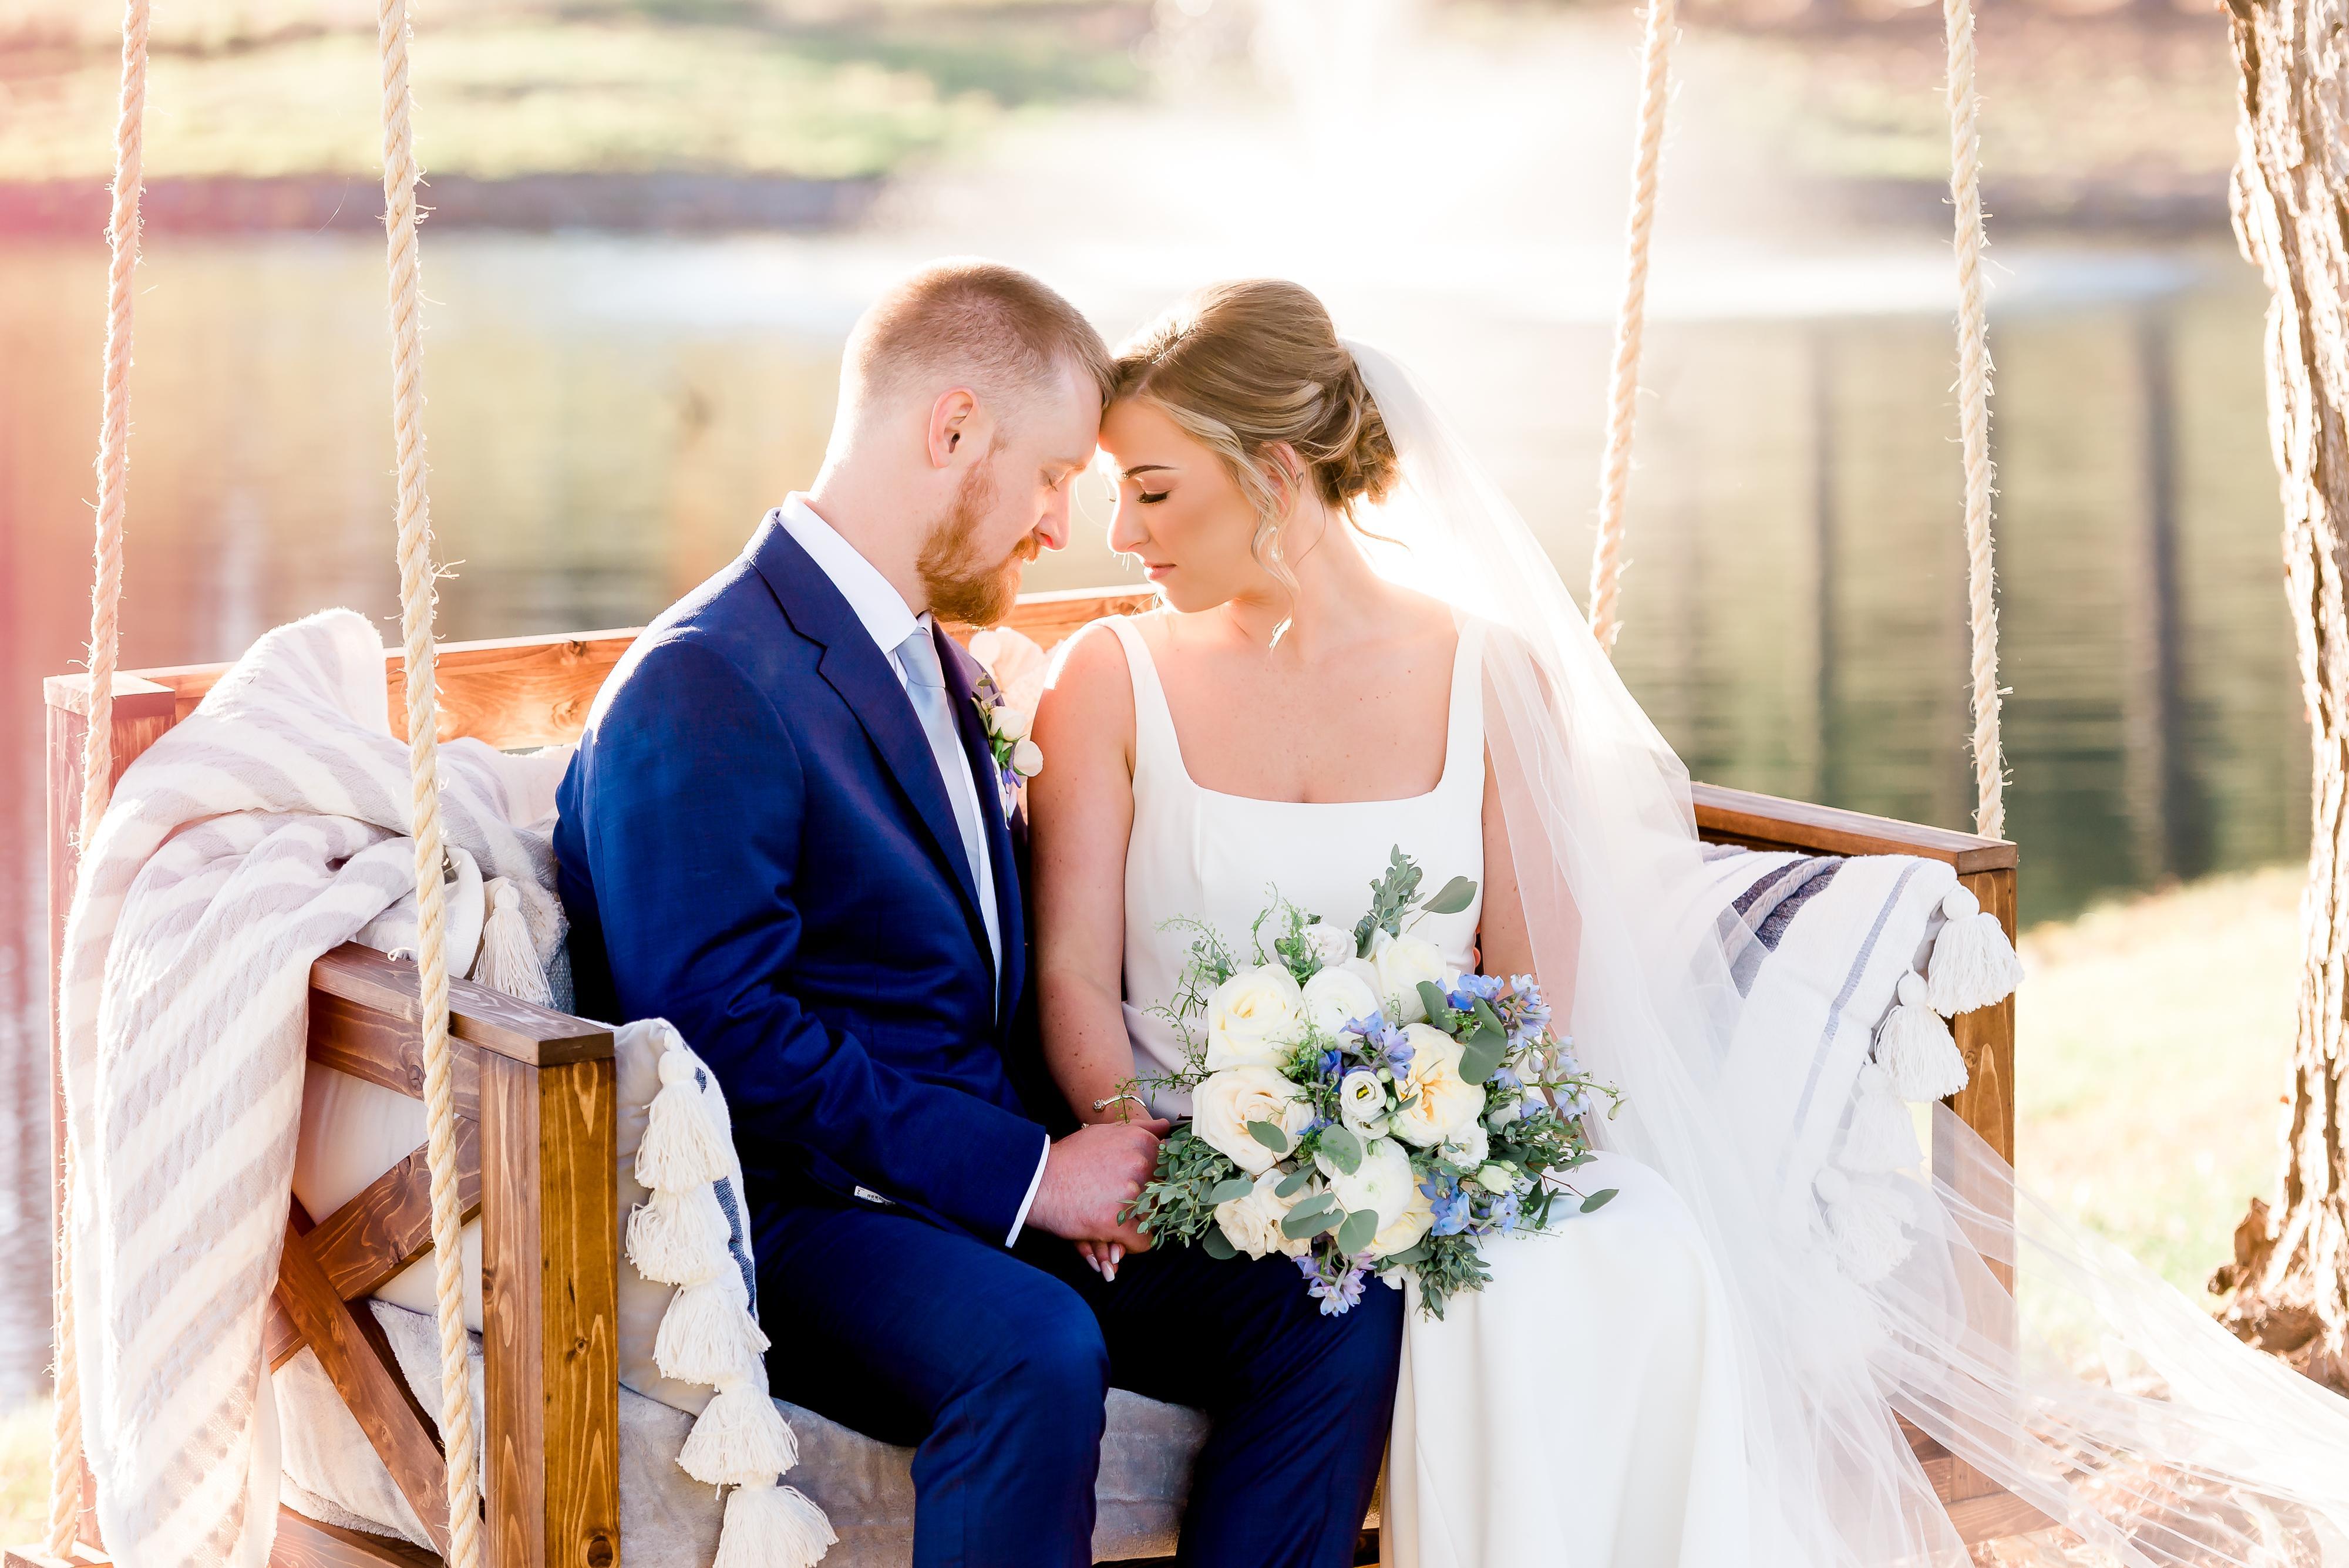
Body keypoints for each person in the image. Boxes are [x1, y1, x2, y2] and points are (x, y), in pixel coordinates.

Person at [1031, 278, 2349, 1567]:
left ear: (1273, 472)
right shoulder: (1109, 678)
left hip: (1427, 1162)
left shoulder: (1488, 675)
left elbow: (1529, 997)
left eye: (1151, 490)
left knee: (1634, 1245)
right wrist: (1152, 1147)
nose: (1122, 532)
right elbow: (1076, 974)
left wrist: (1421, 1151)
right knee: (1383, 1306)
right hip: (1186, 1172)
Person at [553, 259, 1401, 1568]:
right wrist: (1031, 1180)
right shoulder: (707, 678)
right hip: (798, 1214)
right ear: (953, 431)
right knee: (1028, 1345)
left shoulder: (931, 660)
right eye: (1053, 475)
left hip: (971, 1193)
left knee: (1326, 1296)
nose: (1061, 526)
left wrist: (1104, 1159)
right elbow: (718, 1033)